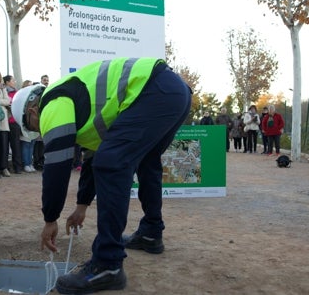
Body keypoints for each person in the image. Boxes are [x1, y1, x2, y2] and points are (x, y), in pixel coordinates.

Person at [12, 57, 191, 294]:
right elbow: (93, 158)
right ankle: (150, 232)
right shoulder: (76, 102)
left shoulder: (52, 103)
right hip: (173, 91)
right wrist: (82, 206)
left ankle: (107, 264)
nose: (40, 131)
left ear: (33, 111)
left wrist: (50, 219)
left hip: (153, 90)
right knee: (146, 163)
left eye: (34, 127)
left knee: (112, 162)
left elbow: (57, 167)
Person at [4, 75, 23, 174]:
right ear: (7, 82)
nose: (14, 82)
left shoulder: (16, 92)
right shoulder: (3, 92)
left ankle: (18, 167)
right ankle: (5, 167)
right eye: (12, 80)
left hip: (14, 122)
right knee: (4, 146)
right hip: (5, 122)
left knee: (16, 145)